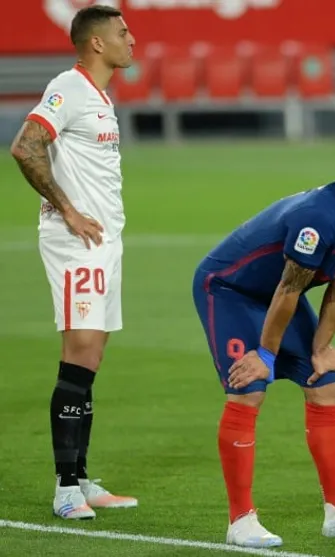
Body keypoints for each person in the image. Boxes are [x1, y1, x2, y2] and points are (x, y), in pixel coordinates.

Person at [192, 149, 335, 548]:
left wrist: (321, 347)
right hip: (229, 290)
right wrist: (265, 357)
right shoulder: (316, 220)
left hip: (278, 296)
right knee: (249, 386)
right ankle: (241, 521)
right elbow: (290, 288)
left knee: (326, 379)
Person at [9, 5, 138, 520]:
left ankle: (81, 478)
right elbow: (25, 146)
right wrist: (68, 210)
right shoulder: (69, 87)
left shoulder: (101, 97)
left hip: (104, 242)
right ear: (97, 43)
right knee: (78, 354)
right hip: (76, 243)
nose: (132, 39)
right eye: (123, 32)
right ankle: (65, 489)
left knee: (91, 359)